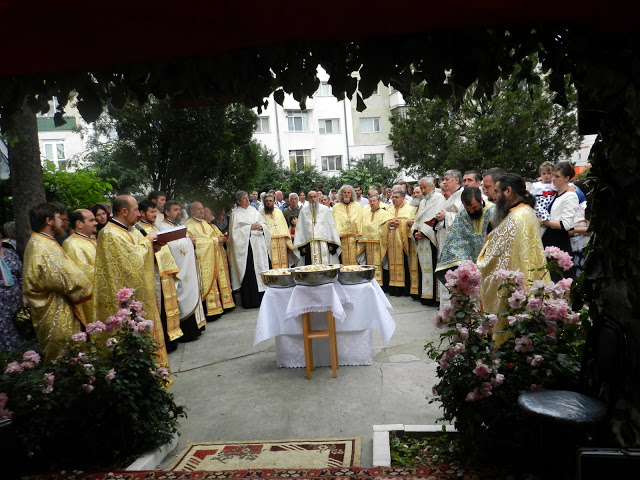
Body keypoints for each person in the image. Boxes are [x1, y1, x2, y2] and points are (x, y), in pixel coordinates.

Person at [94, 195, 171, 371]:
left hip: (140, 292)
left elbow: (139, 255)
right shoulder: (109, 233)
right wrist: (149, 240)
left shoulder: (130, 230)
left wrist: (154, 247)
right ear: (124, 211)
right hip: (124, 299)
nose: (138, 213)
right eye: (136, 209)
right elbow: (131, 262)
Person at [477, 174, 547, 344]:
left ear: (508, 191)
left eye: (496, 192)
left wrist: (479, 265)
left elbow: (494, 256)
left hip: (511, 286)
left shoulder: (516, 218)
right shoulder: (526, 211)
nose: (493, 197)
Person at [23, 203, 93, 360]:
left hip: (56, 304)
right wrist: (88, 287)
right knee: (64, 354)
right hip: (54, 308)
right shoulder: (43, 245)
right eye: (58, 218)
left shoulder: (41, 241)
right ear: (49, 221)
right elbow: (62, 276)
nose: (63, 222)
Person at [184, 201, 235, 320]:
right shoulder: (188, 225)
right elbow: (196, 242)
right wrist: (216, 240)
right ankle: (211, 310)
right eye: (198, 209)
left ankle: (221, 306)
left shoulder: (205, 223)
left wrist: (219, 239)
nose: (201, 211)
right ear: (191, 211)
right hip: (202, 259)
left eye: (202, 209)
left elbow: (211, 236)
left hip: (213, 255)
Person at [435, 186, 494, 280]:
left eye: (474, 207)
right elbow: (455, 240)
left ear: (481, 199)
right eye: (467, 208)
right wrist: (462, 263)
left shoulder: (494, 212)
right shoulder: (462, 215)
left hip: (490, 261)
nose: (471, 211)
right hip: (469, 263)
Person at [228, 191, 271, 308]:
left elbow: (266, 225)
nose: (247, 200)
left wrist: (261, 226)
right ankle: (251, 301)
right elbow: (234, 234)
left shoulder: (254, 210)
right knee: (250, 272)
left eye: (247, 198)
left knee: (262, 268)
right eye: (244, 199)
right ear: (238, 201)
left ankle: (264, 298)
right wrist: (249, 228)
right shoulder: (235, 214)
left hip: (259, 245)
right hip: (247, 248)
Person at [540, 161, 579, 280]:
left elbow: (566, 224)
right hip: (549, 240)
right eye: (553, 175)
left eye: (557, 176)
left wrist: (545, 222)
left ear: (566, 178)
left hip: (559, 242)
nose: (553, 179)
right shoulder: (556, 193)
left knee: (559, 279)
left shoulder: (570, 196)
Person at [411, 177, 446, 305]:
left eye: (425, 188)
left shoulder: (439, 198)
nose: (423, 191)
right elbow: (417, 219)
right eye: (421, 188)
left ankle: (433, 297)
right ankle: (425, 294)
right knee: (423, 268)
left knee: (432, 266)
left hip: (431, 238)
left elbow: (435, 217)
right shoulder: (422, 202)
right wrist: (415, 231)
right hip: (421, 239)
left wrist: (424, 232)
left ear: (432, 187)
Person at [62, 209, 98, 324]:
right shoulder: (72, 244)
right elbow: (82, 273)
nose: (96, 223)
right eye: (91, 220)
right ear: (79, 224)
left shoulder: (89, 240)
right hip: (89, 298)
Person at [380, 188, 417, 296]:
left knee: (405, 266)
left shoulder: (409, 208)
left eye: (396, 197)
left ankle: (405, 291)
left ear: (403, 198)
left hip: (404, 244)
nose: (394, 199)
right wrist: (389, 223)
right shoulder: (389, 210)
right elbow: (382, 226)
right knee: (393, 267)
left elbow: (413, 223)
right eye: (393, 197)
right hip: (392, 245)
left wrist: (402, 222)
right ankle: (394, 289)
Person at [435, 170, 464, 303]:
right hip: (445, 241)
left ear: (456, 180)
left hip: (456, 246)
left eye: (447, 179)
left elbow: (464, 219)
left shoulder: (462, 196)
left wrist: (446, 216)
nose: (444, 182)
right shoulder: (452, 196)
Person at [293, 191, 341, 265]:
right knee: (311, 268)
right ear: (308, 199)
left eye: (315, 197)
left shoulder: (325, 210)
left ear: (318, 197)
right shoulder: (303, 211)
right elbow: (301, 230)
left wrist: (332, 245)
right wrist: (301, 247)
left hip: (325, 244)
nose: (313, 199)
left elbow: (331, 227)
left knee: (326, 267)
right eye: (311, 197)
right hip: (309, 245)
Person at [358, 193, 391, 283]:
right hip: (367, 243)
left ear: (379, 202)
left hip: (379, 243)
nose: (372, 203)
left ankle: (381, 285)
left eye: (374, 201)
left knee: (380, 263)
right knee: (369, 263)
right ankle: (370, 282)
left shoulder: (384, 213)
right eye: (370, 201)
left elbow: (386, 227)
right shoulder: (365, 213)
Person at [260, 194, 298, 269]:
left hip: (281, 243)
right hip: (268, 242)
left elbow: (284, 227)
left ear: (273, 202)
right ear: (263, 202)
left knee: (283, 263)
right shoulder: (260, 213)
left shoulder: (279, 212)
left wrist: (288, 243)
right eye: (266, 201)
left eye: (270, 201)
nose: (268, 203)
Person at [0, 238, 24, 351]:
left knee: (19, 329)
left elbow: (21, 274)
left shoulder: (10, 253)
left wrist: (24, 295)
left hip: (16, 302)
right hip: (1, 306)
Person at [332, 184, 363, 265]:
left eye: (348, 192)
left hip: (355, 238)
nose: (346, 194)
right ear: (341, 194)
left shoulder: (357, 206)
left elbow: (360, 220)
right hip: (341, 239)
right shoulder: (336, 207)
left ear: (351, 194)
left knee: (355, 260)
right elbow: (334, 222)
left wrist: (359, 235)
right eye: (344, 192)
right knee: (342, 261)